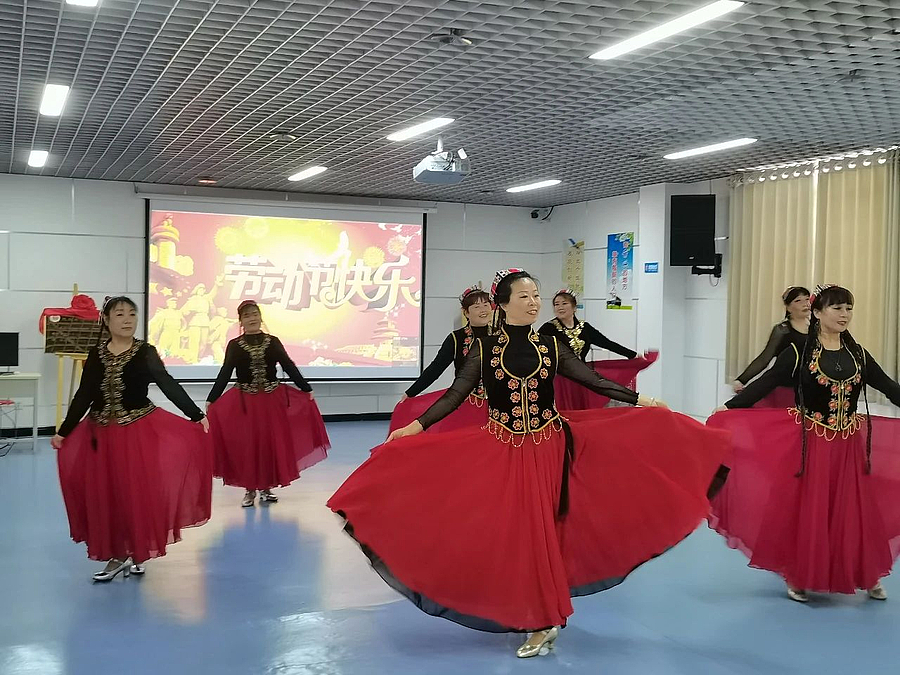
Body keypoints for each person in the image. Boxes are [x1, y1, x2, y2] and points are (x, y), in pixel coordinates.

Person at [328, 269, 730, 658]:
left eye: (536, 296)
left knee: (541, 530)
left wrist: (643, 400)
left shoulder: (550, 345)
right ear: (503, 305)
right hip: (503, 447)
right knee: (514, 531)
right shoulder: (485, 349)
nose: (534, 302)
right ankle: (534, 610)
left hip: (549, 445)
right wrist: (416, 426)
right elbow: (455, 393)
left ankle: (543, 617)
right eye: (524, 296)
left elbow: (591, 378)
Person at [710, 285, 900, 602]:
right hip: (813, 443)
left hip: (848, 446)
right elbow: (767, 381)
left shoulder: (858, 354)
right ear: (818, 313)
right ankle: (799, 573)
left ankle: (866, 572)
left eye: (849, 308)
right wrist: (729, 408)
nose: (844, 314)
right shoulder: (800, 354)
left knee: (853, 510)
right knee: (809, 509)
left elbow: (889, 387)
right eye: (837, 308)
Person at [51, 296, 212, 582]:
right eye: (120, 314)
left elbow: (166, 382)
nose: (127, 319)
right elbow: (84, 395)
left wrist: (195, 413)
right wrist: (64, 431)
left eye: (132, 314)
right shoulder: (96, 354)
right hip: (100, 434)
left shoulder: (145, 352)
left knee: (135, 493)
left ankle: (137, 551)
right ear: (106, 320)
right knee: (108, 494)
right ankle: (117, 554)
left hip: (136, 433)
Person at [206, 300, 329, 508]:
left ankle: (266, 488)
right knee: (249, 444)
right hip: (246, 403)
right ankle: (250, 489)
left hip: (271, 401)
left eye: (255, 314)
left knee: (270, 443)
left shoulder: (272, 342)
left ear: (260, 317)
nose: (252, 318)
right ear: (241, 321)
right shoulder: (234, 345)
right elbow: (225, 372)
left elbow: (288, 365)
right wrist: (212, 398)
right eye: (247, 316)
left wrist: (305, 388)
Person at [388, 284, 492, 435]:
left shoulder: (501, 335)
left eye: (486, 305)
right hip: (465, 403)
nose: (483, 310)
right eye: (476, 307)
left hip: (497, 408)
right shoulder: (456, 338)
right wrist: (411, 392)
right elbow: (436, 368)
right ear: (466, 312)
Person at [539, 289, 656, 410]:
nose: (560, 307)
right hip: (560, 380)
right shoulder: (548, 329)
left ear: (574, 307)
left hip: (583, 378)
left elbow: (607, 343)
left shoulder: (585, 328)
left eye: (564, 303)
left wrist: (633, 355)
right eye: (556, 304)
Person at [732, 286, 810, 408]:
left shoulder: (817, 328)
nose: (805, 304)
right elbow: (765, 358)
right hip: (786, 389)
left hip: (808, 389)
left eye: (807, 299)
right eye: (798, 301)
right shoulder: (782, 330)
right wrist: (741, 380)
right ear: (788, 307)